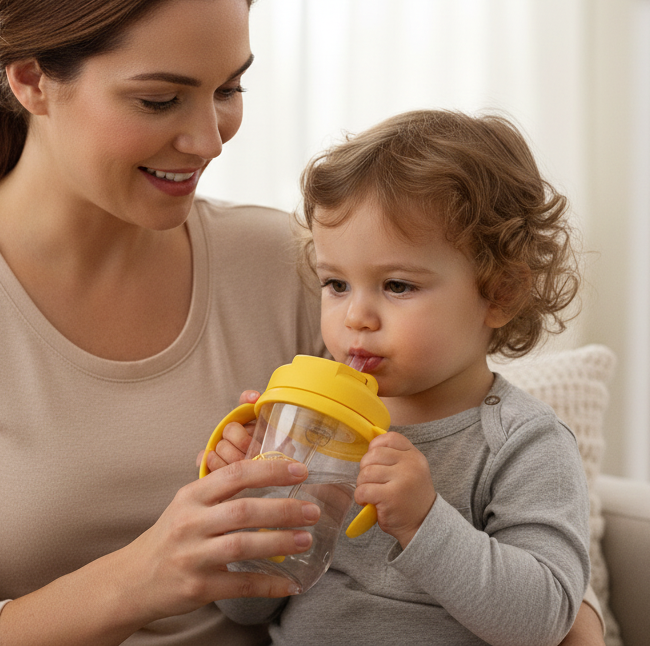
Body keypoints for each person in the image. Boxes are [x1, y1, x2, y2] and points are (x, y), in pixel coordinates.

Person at [0, 0, 608, 644]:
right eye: (159, 99)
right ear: (31, 81)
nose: (208, 138)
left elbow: (472, 469)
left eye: (228, 89)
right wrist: (146, 578)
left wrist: (575, 616)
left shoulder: (288, 265)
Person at [210, 109, 592, 646]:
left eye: (397, 286)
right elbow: (246, 607)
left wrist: (423, 521)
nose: (355, 317)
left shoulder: (524, 442)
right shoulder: (314, 428)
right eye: (336, 284)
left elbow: (543, 622)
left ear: (500, 293)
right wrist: (251, 505)